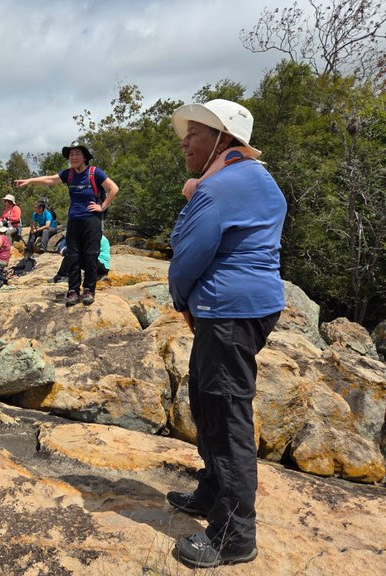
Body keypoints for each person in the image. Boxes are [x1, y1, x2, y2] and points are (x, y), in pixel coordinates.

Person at [166, 99, 286, 568]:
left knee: (226, 413)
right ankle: (212, 492)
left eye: (193, 132)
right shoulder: (258, 178)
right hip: (249, 307)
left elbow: (186, 255)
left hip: (227, 312)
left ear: (221, 138)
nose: (184, 141)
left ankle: (234, 536)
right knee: (206, 398)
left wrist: (183, 301)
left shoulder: (217, 191)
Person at [16, 141, 118, 306]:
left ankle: (89, 290)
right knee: (73, 255)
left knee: (91, 255)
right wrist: (29, 180)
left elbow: (114, 188)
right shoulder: (69, 174)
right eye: (71, 155)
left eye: (77, 154)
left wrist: (102, 206)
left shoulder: (94, 173)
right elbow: (49, 179)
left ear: (84, 157)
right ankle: (73, 290)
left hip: (91, 220)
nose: (74, 157)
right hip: (74, 220)